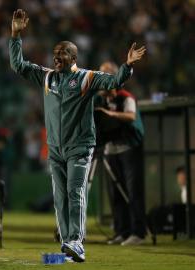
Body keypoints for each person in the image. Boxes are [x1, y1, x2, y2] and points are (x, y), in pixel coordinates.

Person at [9, 9, 145, 262]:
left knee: (75, 192)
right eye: (54, 54)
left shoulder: (87, 78)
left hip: (80, 146)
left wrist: (127, 66)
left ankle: (77, 242)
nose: (56, 58)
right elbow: (18, 65)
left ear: (73, 57)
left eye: (61, 54)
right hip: (56, 148)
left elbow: (114, 81)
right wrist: (16, 35)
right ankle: (67, 243)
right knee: (60, 198)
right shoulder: (48, 77)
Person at [95, 61, 146, 246]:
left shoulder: (125, 97)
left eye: (107, 74)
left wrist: (110, 115)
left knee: (133, 192)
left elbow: (131, 116)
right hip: (110, 150)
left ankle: (138, 232)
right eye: (101, 74)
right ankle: (121, 231)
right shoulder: (100, 98)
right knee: (115, 193)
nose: (103, 78)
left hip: (128, 149)